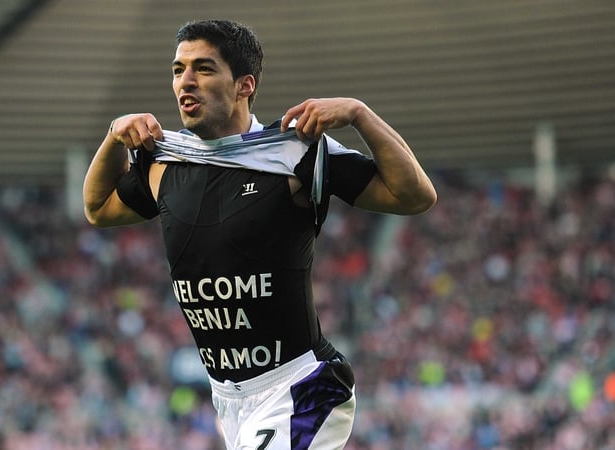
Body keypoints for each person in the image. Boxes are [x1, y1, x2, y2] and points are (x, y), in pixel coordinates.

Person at [83, 19, 437, 450]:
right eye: (178, 70)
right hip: (228, 399)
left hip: (301, 386)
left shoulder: (294, 151)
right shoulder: (164, 160)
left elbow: (414, 196)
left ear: (244, 85)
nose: (185, 82)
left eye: (204, 68)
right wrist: (112, 138)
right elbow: (98, 209)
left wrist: (360, 115)